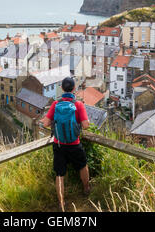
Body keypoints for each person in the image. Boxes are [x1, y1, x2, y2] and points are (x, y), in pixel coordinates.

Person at [43, 77, 90, 212]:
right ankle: (86, 188)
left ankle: (61, 203)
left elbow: (45, 123)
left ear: (62, 88)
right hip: (74, 143)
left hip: (59, 145)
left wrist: (56, 125)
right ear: (74, 88)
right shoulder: (78, 105)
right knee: (82, 166)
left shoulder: (56, 104)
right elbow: (86, 126)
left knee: (59, 174)